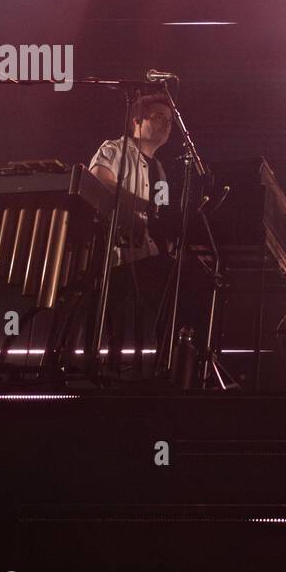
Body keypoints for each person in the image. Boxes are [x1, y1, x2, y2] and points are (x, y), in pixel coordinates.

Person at [89, 93, 176, 378]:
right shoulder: (114, 149)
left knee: (179, 288)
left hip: (145, 255)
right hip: (113, 252)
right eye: (159, 117)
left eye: (170, 120)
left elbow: (160, 216)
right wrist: (142, 207)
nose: (166, 124)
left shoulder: (161, 170)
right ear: (136, 122)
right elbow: (101, 182)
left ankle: (166, 368)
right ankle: (109, 367)